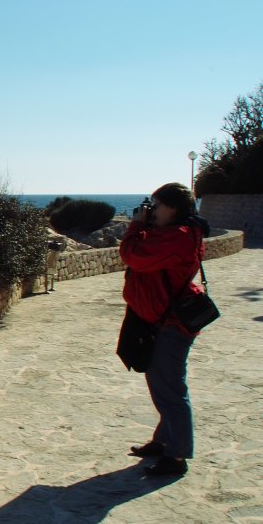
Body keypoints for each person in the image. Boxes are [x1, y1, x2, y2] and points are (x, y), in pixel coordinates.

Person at [119, 182, 209, 477]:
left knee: (170, 388)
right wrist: (146, 225)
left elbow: (132, 255)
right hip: (160, 319)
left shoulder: (179, 237)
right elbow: (146, 249)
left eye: (157, 206)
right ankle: (163, 440)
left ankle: (177, 455)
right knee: (162, 384)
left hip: (171, 324)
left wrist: (135, 225)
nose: (152, 211)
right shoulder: (172, 234)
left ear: (173, 208)